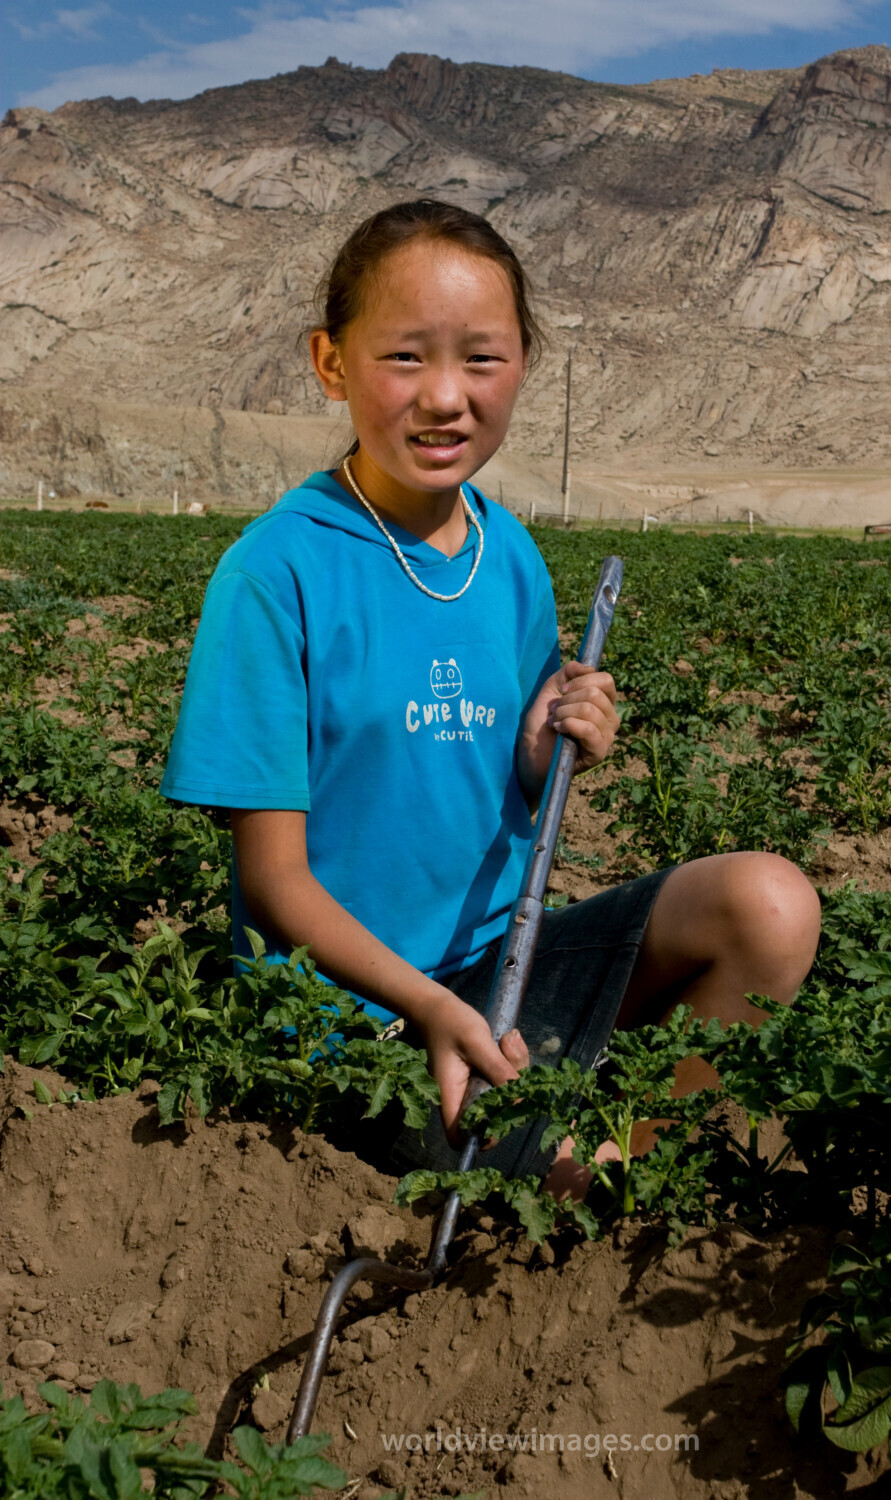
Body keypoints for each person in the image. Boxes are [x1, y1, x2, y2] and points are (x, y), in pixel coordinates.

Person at [160, 199, 820, 1197]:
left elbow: (489, 774)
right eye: (403, 358)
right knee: (560, 1176)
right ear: (330, 363)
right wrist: (427, 1010)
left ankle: (630, 1168)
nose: (445, 397)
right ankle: (590, 1178)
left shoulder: (506, 553)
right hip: (362, 1021)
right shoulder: (275, 574)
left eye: (481, 359)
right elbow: (274, 886)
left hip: (501, 973)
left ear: (521, 366)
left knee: (768, 907)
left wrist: (550, 743)